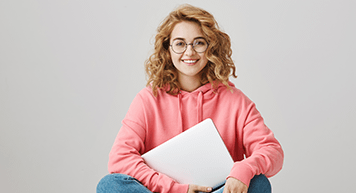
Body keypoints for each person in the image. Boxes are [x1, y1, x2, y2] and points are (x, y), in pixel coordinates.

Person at [97, 4, 284, 193]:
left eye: (199, 43)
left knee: (258, 183)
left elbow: (272, 151)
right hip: (163, 191)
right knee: (110, 184)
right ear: (167, 50)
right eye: (179, 43)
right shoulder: (148, 99)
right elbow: (120, 158)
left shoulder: (235, 101)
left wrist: (244, 169)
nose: (189, 52)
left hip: (217, 190)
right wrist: (175, 189)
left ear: (211, 47)